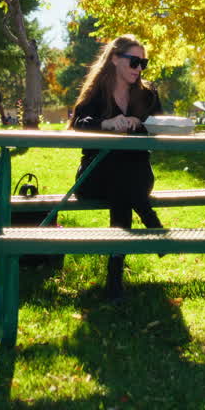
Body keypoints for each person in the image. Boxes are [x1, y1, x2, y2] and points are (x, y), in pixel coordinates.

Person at [69, 35, 164, 300]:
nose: (139, 69)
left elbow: (163, 126)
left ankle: (114, 281)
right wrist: (106, 124)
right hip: (95, 176)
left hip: (136, 175)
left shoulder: (147, 95)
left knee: (123, 183)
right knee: (121, 182)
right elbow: (79, 123)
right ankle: (149, 219)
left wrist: (139, 123)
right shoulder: (97, 91)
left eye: (143, 63)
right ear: (114, 59)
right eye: (134, 61)